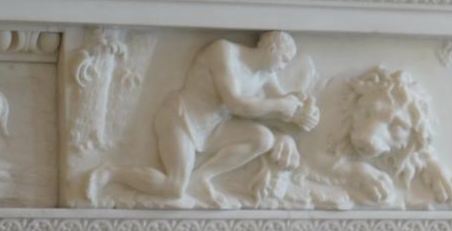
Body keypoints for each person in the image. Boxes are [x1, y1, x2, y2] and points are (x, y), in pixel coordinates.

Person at [88, 30, 320, 208]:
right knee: (174, 188)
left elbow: (282, 100)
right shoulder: (224, 51)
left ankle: (202, 178)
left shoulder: (265, 74)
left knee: (263, 138)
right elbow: (236, 102)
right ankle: (111, 172)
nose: (284, 64)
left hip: (215, 127)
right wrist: (282, 106)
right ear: (272, 48)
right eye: (284, 58)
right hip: (182, 118)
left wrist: (303, 110)